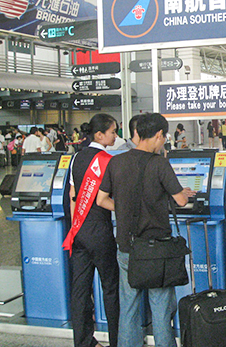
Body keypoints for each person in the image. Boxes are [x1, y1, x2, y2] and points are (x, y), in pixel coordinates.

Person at [97, 113, 196, 347]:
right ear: (159, 135)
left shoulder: (116, 161)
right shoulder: (159, 163)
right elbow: (180, 201)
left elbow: (102, 199)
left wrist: (123, 210)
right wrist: (184, 192)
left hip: (126, 247)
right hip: (156, 250)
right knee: (161, 310)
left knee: (128, 308)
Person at [63, 114, 120, 347]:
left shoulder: (75, 158)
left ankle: (84, 342)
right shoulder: (108, 160)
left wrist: (75, 228)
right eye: (113, 132)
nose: (115, 136)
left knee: (80, 290)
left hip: (79, 232)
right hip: (101, 231)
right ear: (100, 135)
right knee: (110, 288)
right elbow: (106, 198)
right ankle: (117, 340)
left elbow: (72, 196)